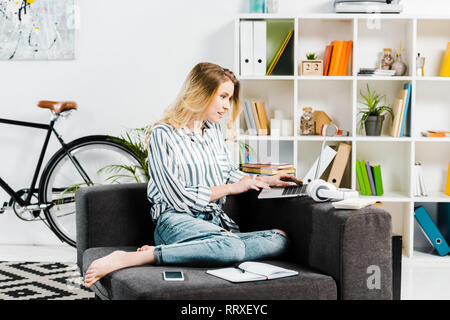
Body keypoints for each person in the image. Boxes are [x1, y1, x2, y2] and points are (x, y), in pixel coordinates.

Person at [84, 62, 302, 288]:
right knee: (233, 247)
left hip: (214, 222)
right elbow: (178, 198)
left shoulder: (214, 131)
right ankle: (135, 257)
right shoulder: (164, 134)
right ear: (201, 93)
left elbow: (227, 172)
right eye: (223, 97)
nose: (227, 106)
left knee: (279, 239)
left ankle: (198, 248)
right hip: (175, 221)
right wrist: (230, 189)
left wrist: (262, 180)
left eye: (230, 99)